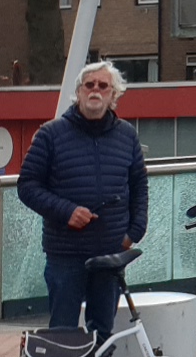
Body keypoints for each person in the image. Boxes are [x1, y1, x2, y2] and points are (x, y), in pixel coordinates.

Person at [16, 61, 149, 339]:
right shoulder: (51, 134)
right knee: (62, 333)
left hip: (110, 253)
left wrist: (133, 233)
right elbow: (27, 186)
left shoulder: (127, 135)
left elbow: (139, 186)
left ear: (114, 95)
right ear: (78, 92)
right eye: (89, 85)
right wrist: (67, 211)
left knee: (103, 332)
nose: (95, 90)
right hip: (66, 254)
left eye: (103, 86)